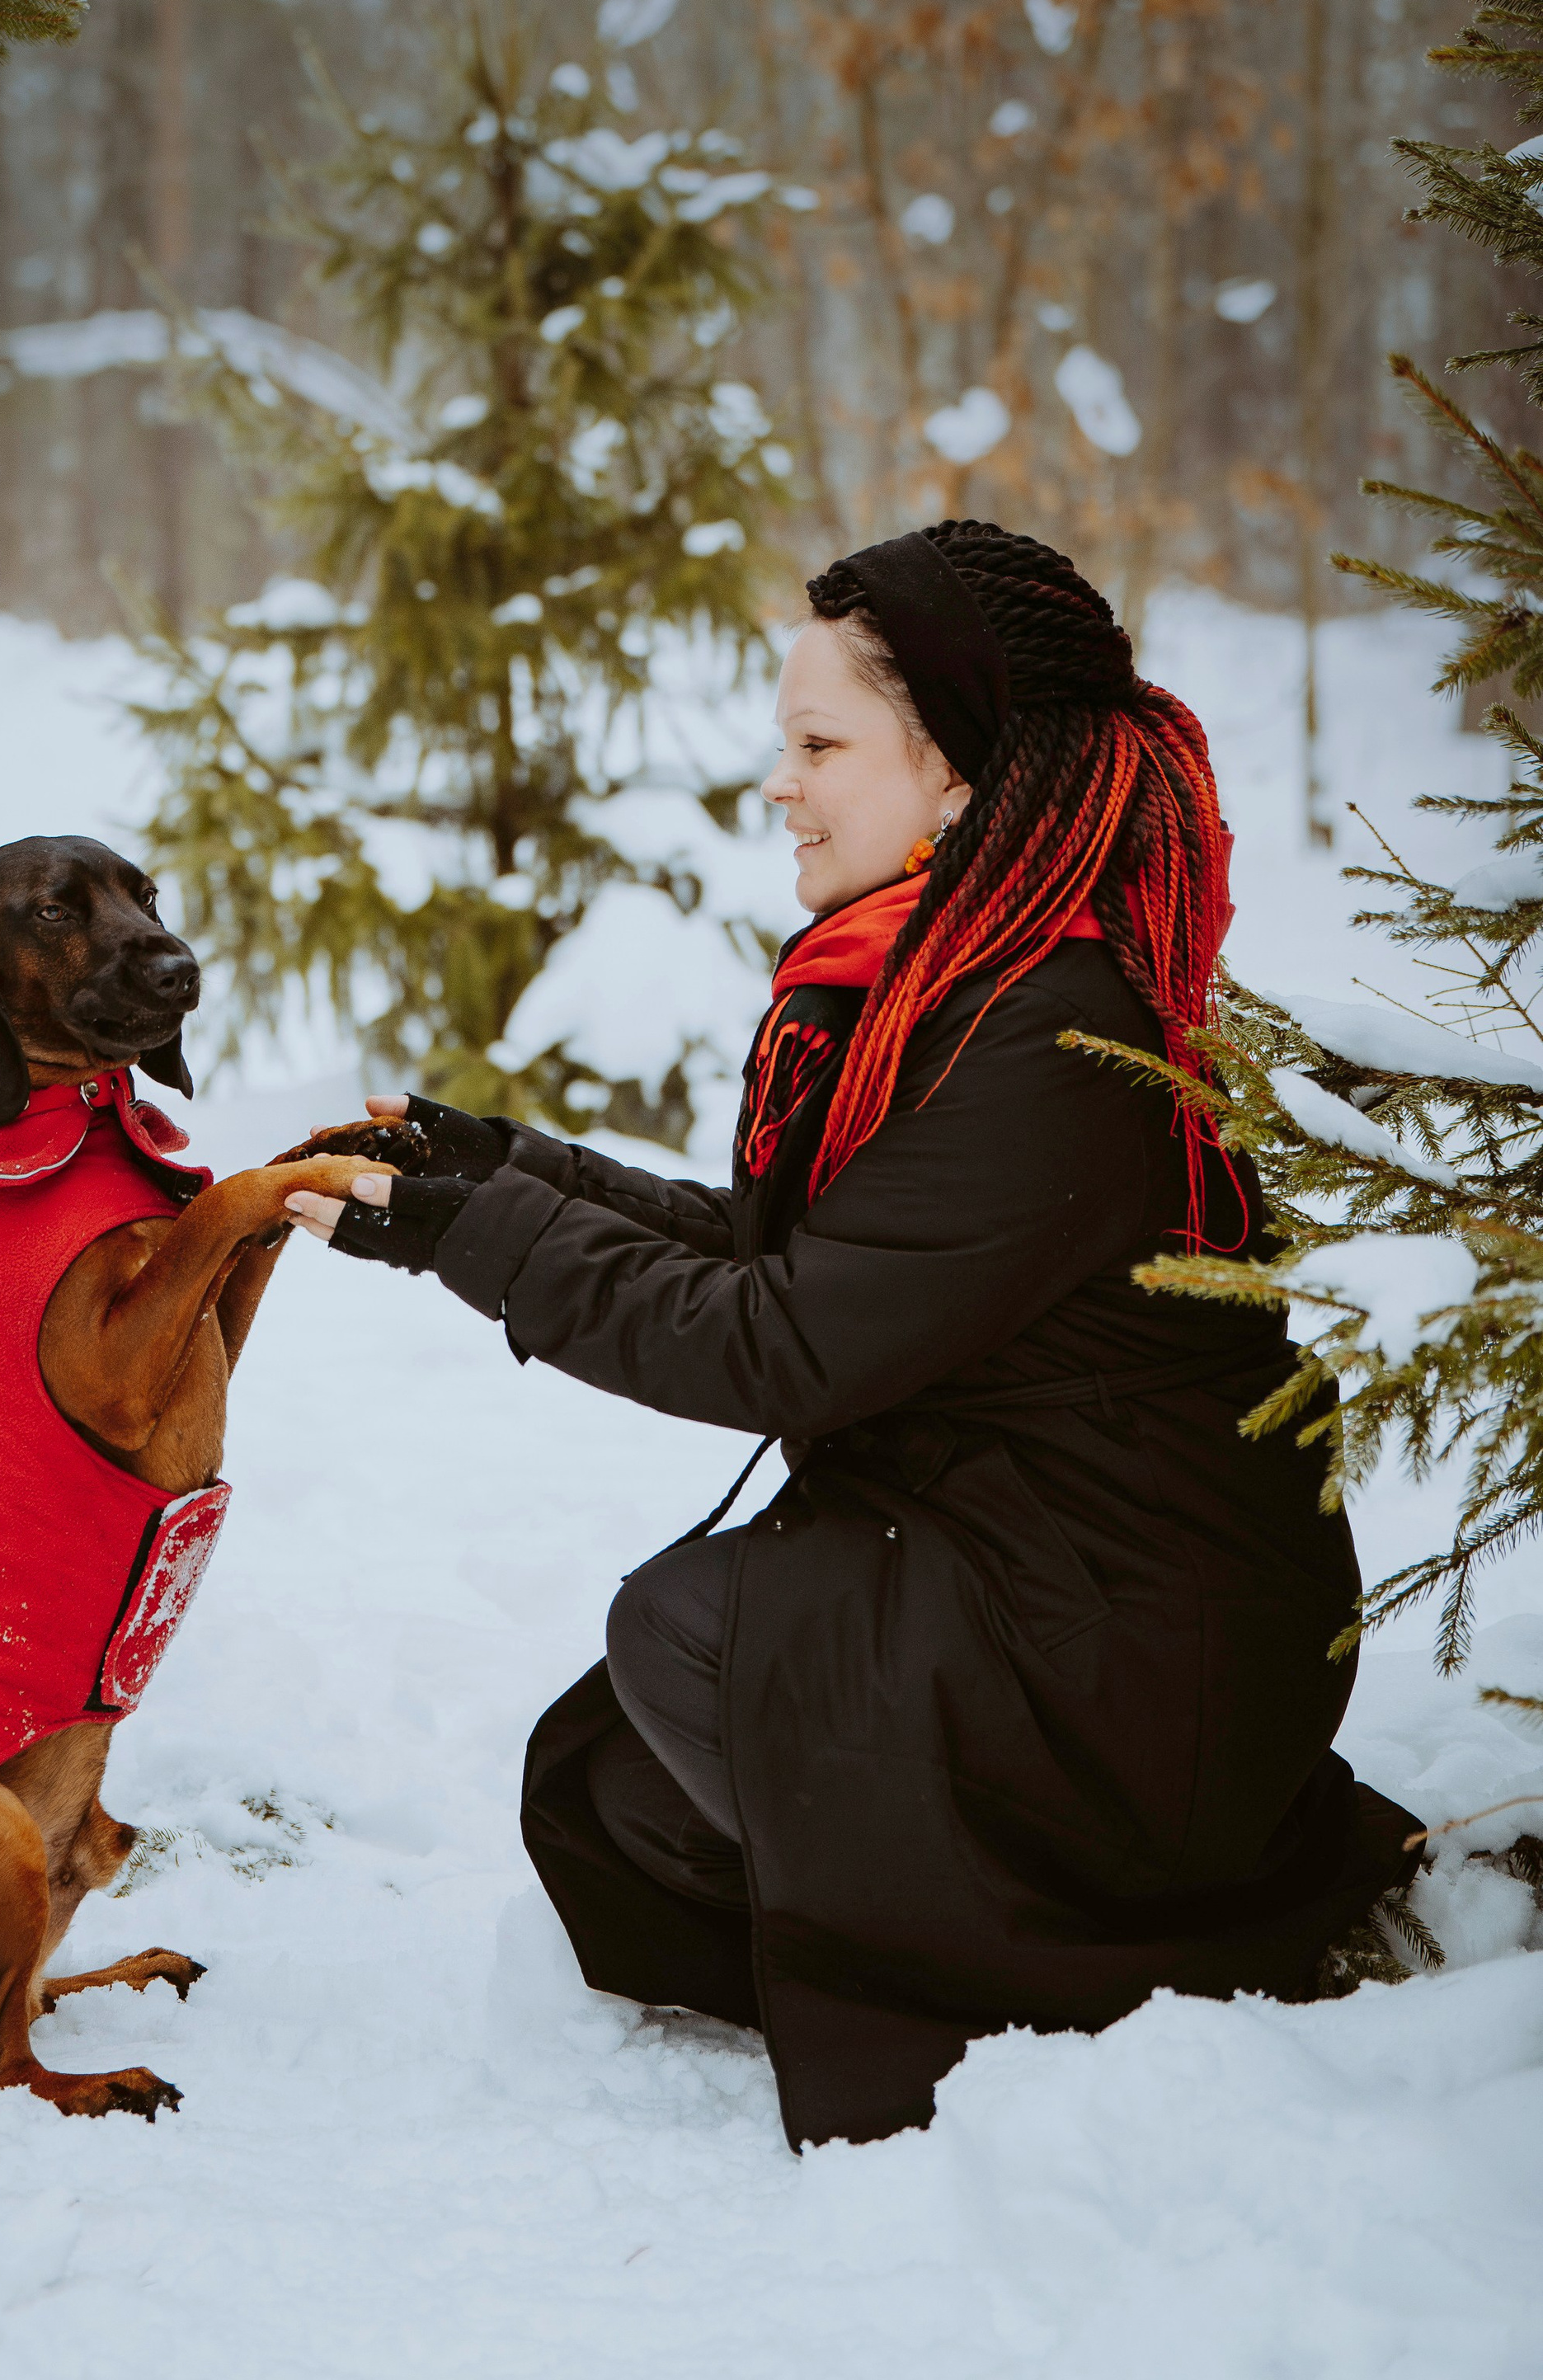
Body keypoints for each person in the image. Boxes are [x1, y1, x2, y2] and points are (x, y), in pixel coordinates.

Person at [284, 520, 1420, 2148]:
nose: (782, 786)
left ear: (958, 774)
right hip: (1056, 1573)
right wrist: (501, 1166)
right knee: (621, 1805)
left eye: (819, 745)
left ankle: (1090, 1954)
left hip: (1142, 1648)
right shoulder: (953, 983)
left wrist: (478, 1236)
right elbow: (806, 1260)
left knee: (692, 1629)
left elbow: (781, 1340)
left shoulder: (1052, 1026)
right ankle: (982, 1900)